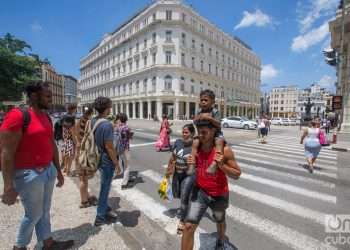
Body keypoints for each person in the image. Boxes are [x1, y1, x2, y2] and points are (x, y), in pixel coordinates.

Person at [0, 82, 74, 250]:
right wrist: (8, 186)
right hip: (28, 174)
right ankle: (19, 246)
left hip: (48, 170)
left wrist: (59, 171)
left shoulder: (45, 116)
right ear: (34, 96)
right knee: (33, 214)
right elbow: (6, 153)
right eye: (47, 96)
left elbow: (52, 144)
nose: (51, 100)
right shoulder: (17, 116)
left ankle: (47, 242)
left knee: (45, 210)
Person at [181, 119, 241, 250]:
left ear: (213, 131)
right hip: (200, 191)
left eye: (204, 132)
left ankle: (220, 240)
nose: (200, 136)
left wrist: (222, 166)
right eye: (199, 132)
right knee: (188, 226)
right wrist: (190, 163)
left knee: (219, 220)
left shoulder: (224, 150)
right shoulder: (196, 148)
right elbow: (193, 169)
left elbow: (237, 174)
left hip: (219, 194)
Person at [92, 97, 122, 226]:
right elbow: (109, 147)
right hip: (106, 160)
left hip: (97, 157)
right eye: (110, 106)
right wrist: (117, 164)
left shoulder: (93, 121)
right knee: (105, 187)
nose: (111, 109)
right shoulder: (107, 124)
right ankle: (100, 216)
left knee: (104, 185)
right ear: (106, 108)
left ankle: (104, 207)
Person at [165, 124, 196, 235]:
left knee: (184, 199)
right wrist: (169, 169)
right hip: (177, 174)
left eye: (186, 132)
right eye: (183, 132)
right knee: (177, 194)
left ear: (192, 133)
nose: (184, 134)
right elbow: (173, 157)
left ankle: (183, 221)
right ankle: (187, 207)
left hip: (189, 176)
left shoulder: (196, 146)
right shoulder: (178, 142)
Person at [192, 89, 223, 174]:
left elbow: (219, 124)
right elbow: (194, 122)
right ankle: (192, 161)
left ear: (212, 101)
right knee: (195, 142)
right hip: (202, 133)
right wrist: (197, 118)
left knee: (219, 142)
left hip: (215, 133)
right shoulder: (199, 111)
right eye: (201, 100)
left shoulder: (215, 111)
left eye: (206, 100)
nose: (203, 102)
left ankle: (215, 163)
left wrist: (210, 118)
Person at [74, 106, 98, 208]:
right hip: (84, 154)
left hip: (78, 153)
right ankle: (84, 201)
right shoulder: (89, 122)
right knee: (83, 179)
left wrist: (78, 144)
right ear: (91, 113)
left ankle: (86, 197)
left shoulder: (78, 122)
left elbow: (74, 134)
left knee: (82, 178)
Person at [117, 113, 133, 189]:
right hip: (125, 149)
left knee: (124, 163)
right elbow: (130, 137)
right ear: (126, 119)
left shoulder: (118, 127)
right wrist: (131, 134)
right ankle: (124, 184)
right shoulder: (126, 128)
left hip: (119, 148)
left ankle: (127, 178)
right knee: (127, 166)